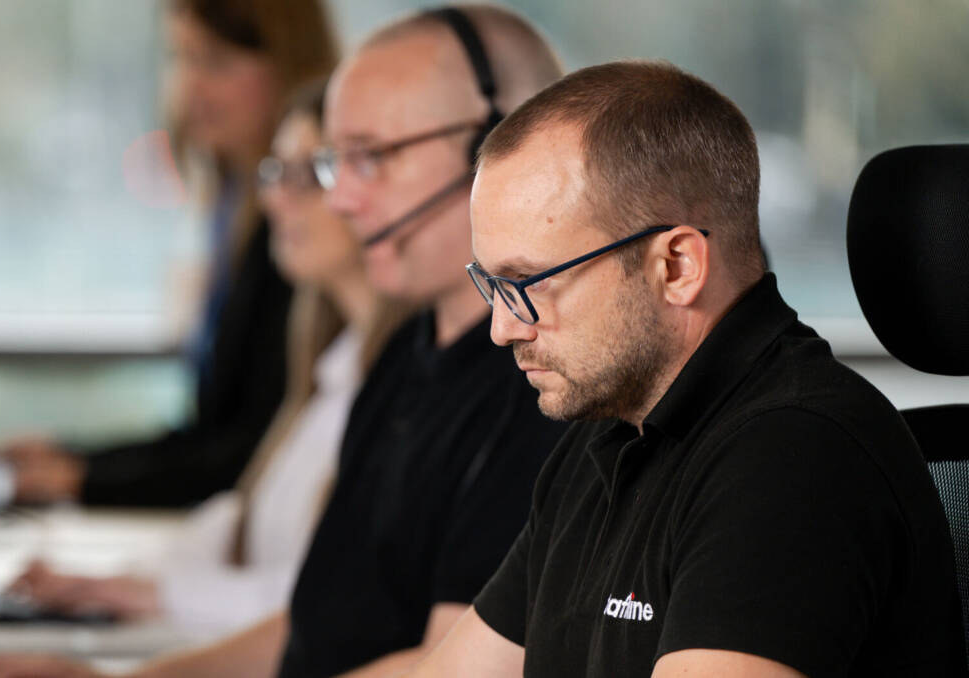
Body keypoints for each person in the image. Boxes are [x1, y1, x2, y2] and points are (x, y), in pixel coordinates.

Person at [0, 6, 567, 678]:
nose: (339, 200)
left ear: (500, 145)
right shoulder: (405, 359)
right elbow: (315, 621)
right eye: (334, 164)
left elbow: (452, 668)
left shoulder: (535, 388)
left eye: (371, 157)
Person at [409, 60, 968, 677]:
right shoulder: (605, 440)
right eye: (491, 285)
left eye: (527, 283)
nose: (502, 326)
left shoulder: (795, 458)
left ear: (677, 266)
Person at [6, 80, 414, 639]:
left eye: (310, 173)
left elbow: (321, 598)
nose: (275, 197)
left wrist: (147, 591)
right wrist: (117, 581)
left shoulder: (407, 382)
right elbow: (237, 523)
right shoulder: (329, 370)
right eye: (275, 173)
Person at [0, 0, 338, 508]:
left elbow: (254, 445)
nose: (189, 87)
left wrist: (82, 478)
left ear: (290, 65)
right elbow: (214, 431)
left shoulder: (304, 239)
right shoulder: (232, 211)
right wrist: (76, 461)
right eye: (181, 57)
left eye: (217, 62)